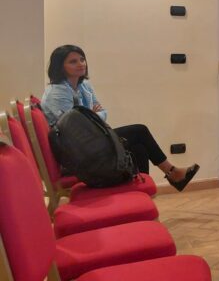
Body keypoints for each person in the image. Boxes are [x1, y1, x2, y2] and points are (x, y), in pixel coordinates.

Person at [41, 44, 199, 192]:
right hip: (78, 154)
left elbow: (101, 114)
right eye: (73, 61)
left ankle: (141, 195)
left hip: (92, 142)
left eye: (82, 59)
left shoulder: (84, 86)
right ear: (60, 66)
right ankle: (173, 173)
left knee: (139, 149)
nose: (81, 64)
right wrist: (93, 116)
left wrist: (93, 116)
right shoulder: (58, 93)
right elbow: (75, 131)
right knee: (140, 131)